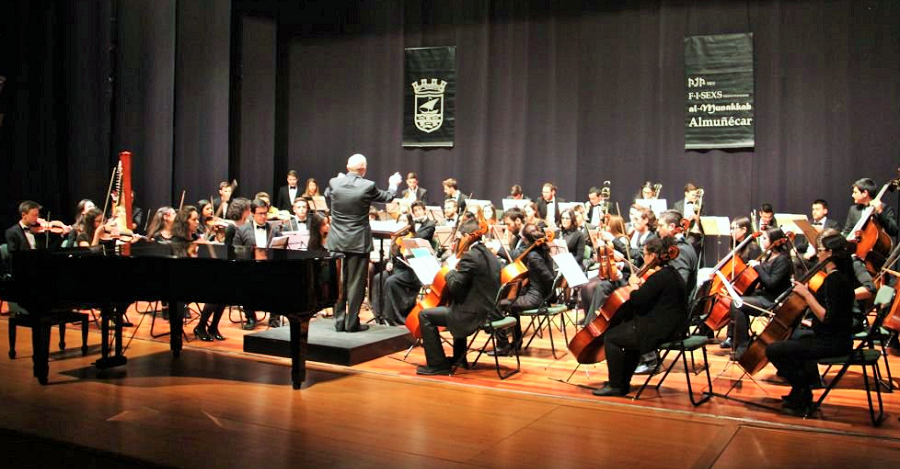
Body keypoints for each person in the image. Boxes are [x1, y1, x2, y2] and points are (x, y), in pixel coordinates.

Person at [765, 232, 855, 415]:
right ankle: (800, 392)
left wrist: (806, 295)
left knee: (773, 350)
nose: (818, 253)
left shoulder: (834, 280)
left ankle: (803, 389)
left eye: (820, 250)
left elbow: (827, 317)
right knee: (796, 339)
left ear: (829, 253)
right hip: (836, 338)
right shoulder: (843, 276)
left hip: (832, 343)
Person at [592, 236, 688, 397]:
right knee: (628, 335)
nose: (644, 258)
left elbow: (638, 300)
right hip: (674, 327)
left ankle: (616, 385)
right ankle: (622, 382)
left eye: (645, 254)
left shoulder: (659, 277)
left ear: (653, 256)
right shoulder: (672, 274)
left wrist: (634, 285)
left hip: (660, 329)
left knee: (612, 337)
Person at [326, 153, 402, 333]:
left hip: (337, 240)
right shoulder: (368, 186)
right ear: (363, 170)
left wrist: (340, 180)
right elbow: (388, 197)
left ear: (347, 166)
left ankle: (339, 320)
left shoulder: (334, 182)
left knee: (338, 282)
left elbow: (329, 194)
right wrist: (393, 184)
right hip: (357, 242)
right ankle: (351, 323)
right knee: (355, 283)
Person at [416, 218, 501, 375]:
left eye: (459, 238)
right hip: (488, 310)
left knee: (425, 315)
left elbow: (455, 286)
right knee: (456, 302)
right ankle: (459, 358)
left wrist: (450, 269)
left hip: (473, 314)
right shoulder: (490, 255)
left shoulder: (470, 257)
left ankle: (437, 364)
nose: (457, 242)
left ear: (466, 236)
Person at [722, 228, 793, 358]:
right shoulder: (769, 255)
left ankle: (743, 345)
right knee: (736, 301)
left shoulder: (783, 260)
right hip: (762, 295)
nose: (762, 240)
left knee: (738, 304)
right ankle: (739, 341)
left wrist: (758, 267)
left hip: (772, 300)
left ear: (775, 242)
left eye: (765, 238)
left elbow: (771, 283)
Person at [492, 223, 554, 356]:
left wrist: (547, 298)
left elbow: (549, 278)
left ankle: (502, 345)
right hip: (537, 296)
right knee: (511, 304)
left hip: (535, 298)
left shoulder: (533, 256)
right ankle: (517, 340)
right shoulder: (542, 250)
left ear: (525, 239)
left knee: (497, 305)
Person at [371, 203, 436, 325]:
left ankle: (392, 317)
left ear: (409, 224)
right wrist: (388, 263)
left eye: (404, 221)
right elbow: (391, 256)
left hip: (410, 271)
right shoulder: (395, 237)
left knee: (391, 282)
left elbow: (416, 258)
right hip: (396, 269)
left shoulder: (413, 238)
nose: (401, 223)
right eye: (399, 221)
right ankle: (379, 316)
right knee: (377, 278)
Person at [233, 198, 284, 329]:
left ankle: (274, 318)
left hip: (269, 268)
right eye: (260, 213)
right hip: (250, 267)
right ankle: (250, 317)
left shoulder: (274, 229)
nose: (263, 217)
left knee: (280, 281)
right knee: (245, 282)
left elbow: (282, 251)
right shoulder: (241, 230)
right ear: (252, 213)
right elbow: (235, 251)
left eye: (265, 213)